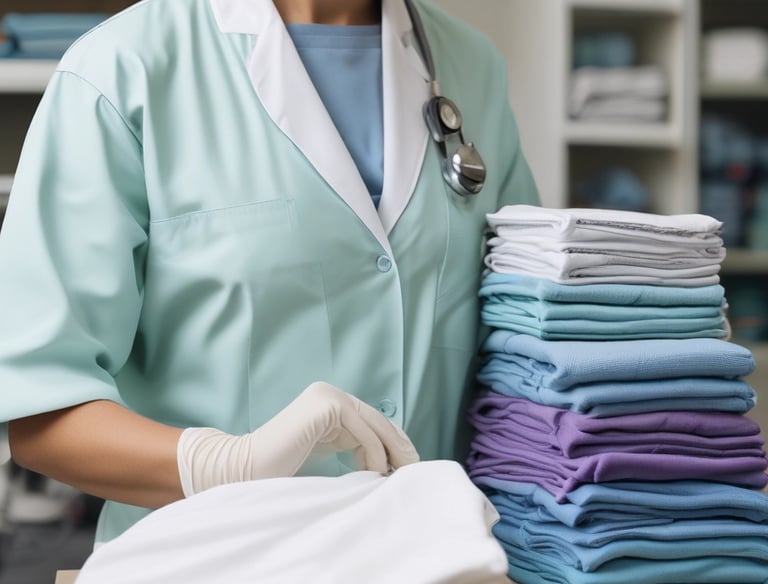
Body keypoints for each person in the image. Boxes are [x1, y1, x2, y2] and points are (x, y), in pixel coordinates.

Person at [0, 0, 539, 545]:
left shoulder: (473, 66)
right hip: (205, 562)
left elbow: (529, 351)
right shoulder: (121, 68)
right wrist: (228, 463)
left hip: (433, 560)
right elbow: (40, 410)